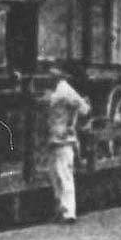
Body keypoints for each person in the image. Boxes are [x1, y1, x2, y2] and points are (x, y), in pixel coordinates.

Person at [46, 76, 91, 223]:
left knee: (64, 174)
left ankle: (69, 212)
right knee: (55, 175)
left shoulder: (64, 91)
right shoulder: (57, 91)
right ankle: (60, 208)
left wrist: (72, 122)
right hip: (55, 138)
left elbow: (84, 108)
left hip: (64, 139)